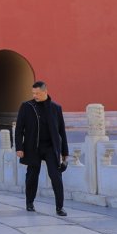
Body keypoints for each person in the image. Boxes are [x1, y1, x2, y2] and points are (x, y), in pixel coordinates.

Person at [15, 81, 69, 216]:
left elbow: (61, 131)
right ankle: (29, 203)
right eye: (33, 93)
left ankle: (59, 207)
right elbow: (19, 129)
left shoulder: (56, 108)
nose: (35, 96)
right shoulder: (26, 106)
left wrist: (65, 152)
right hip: (33, 148)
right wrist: (19, 147)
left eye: (38, 93)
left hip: (51, 147)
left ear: (46, 91)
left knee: (55, 175)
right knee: (32, 176)